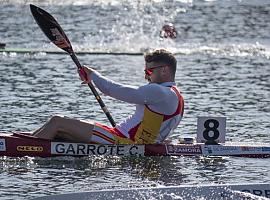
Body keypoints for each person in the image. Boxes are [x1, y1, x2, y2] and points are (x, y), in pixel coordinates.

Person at [33, 49, 184, 144]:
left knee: (57, 121)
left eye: (149, 72)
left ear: (164, 70)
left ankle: (26, 149)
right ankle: (29, 141)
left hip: (123, 141)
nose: (146, 76)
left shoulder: (160, 92)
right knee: (57, 127)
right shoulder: (177, 95)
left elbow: (113, 90)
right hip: (122, 137)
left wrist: (93, 74)